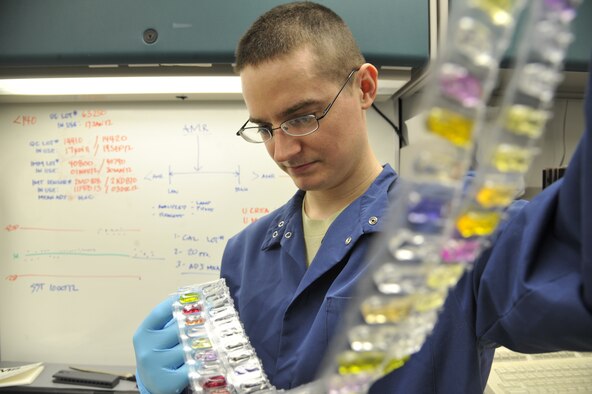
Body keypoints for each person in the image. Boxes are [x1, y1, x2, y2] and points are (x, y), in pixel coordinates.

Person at [133, 2, 592, 393]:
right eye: (265, 128)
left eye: (302, 117)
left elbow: (573, 273)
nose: (283, 150)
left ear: (365, 88)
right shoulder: (245, 253)